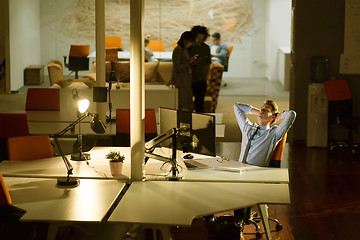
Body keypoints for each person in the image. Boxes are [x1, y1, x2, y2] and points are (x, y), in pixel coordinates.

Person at [234, 100, 296, 167]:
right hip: (239, 169)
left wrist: (279, 115)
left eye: (267, 110)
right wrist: (258, 112)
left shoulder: (273, 134)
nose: (262, 110)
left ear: (273, 117)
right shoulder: (248, 127)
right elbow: (237, 106)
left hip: (256, 174)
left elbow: (291, 114)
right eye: (262, 108)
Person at [188, 25, 211, 113]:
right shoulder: (188, 47)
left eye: (202, 39)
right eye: (198, 39)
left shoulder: (205, 48)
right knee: (187, 103)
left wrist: (207, 77)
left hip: (201, 78)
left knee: (200, 104)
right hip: (189, 78)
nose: (199, 41)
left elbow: (207, 64)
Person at [172, 31, 195, 111]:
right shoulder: (178, 50)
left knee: (188, 102)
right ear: (186, 40)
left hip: (186, 80)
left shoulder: (184, 49)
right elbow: (177, 67)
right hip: (181, 81)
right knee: (183, 104)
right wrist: (189, 62)